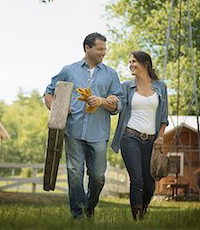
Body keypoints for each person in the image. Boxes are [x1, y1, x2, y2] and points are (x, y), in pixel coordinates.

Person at [44, 32, 124, 219]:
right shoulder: (68, 70)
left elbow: (119, 103)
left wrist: (103, 101)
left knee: (97, 177)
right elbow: (48, 92)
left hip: (99, 132)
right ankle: (78, 214)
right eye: (100, 49)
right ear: (87, 48)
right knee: (74, 172)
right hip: (73, 131)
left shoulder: (111, 74)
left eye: (104, 49)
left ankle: (89, 205)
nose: (103, 52)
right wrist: (57, 110)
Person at [110, 51, 169, 221]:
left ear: (146, 64)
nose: (131, 65)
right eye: (129, 62)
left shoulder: (160, 87)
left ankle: (142, 212)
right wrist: (111, 100)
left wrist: (160, 137)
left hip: (151, 140)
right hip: (130, 137)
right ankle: (137, 219)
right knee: (137, 180)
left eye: (134, 61)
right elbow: (118, 105)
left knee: (149, 184)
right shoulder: (126, 86)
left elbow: (164, 117)